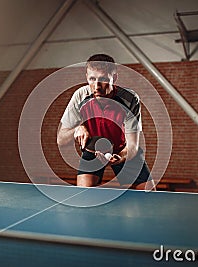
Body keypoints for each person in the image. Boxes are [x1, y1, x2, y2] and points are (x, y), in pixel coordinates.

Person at [57, 54, 155, 190]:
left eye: (103, 79)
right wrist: (76, 129)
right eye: (92, 79)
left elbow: (133, 146)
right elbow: (61, 140)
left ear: (114, 78)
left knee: (150, 194)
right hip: (93, 150)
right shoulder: (80, 96)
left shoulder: (129, 99)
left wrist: (119, 157)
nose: (96, 86)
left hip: (122, 150)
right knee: (83, 195)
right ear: (86, 77)